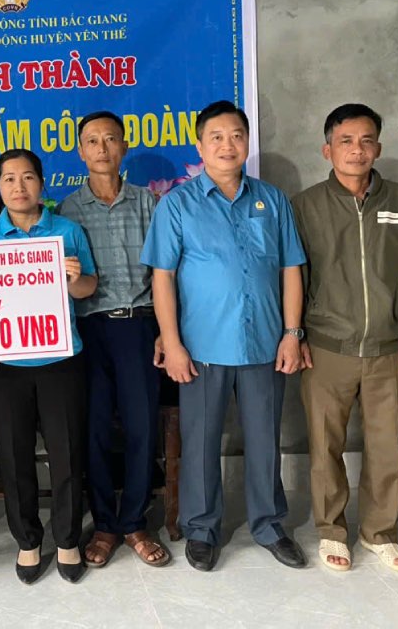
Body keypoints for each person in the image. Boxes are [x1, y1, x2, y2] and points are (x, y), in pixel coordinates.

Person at [141, 100, 308, 572]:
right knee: (200, 443)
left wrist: (292, 333)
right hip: (201, 348)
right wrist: (172, 342)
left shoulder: (271, 200)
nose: (227, 145)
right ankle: (201, 529)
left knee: (265, 439)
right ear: (199, 146)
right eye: (216, 137)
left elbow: (291, 268)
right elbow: (162, 277)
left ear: (247, 142)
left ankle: (269, 525)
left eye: (236, 135)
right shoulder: (178, 205)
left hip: (264, 344)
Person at [292, 103, 398, 573]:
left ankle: (380, 533)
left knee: (385, 445)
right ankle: (331, 530)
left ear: (378, 147)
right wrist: (296, 335)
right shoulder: (305, 206)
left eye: (366, 140)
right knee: (325, 445)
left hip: (390, 346)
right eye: (346, 141)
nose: (357, 150)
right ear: (327, 150)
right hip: (326, 346)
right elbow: (294, 278)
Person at [0, 148, 98, 584]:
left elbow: (88, 288)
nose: (19, 186)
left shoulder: (67, 230)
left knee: (66, 453)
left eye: (27, 177)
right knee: (14, 454)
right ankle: (27, 540)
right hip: (5, 364)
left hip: (61, 359)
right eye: (9, 179)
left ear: (42, 183)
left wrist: (74, 279)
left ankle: (67, 539)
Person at [57, 111, 174, 569]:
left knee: (143, 427)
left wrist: (165, 331)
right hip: (88, 329)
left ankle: (134, 522)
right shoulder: (66, 212)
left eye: (110, 139)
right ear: (80, 151)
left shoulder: (151, 204)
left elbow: (166, 273)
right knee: (96, 428)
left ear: (123, 146)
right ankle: (105, 523)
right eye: (92, 141)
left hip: (140, 327)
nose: (102, 148)